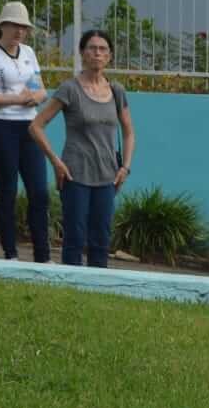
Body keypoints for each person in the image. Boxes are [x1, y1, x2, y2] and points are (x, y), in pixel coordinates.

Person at [29, 30, 135, 268]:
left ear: (109, 56)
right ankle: (71, 289)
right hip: (75, 175)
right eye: (92, 48)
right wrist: (56, 161)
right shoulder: (70, 89)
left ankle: (98, 292)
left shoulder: (116, 91)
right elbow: (36, 126)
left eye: (103, 49)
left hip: (107, 176)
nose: (97, 53)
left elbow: (129, 132)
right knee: (75, 239)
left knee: (101, 240)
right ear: (82, 53)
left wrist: (125, 168)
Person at [0, 1, 49, 261]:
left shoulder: (28, 52)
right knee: (8, 189)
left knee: (39, 190)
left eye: (23, 27)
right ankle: (11, 252)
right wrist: (16, 99)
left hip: (29, 126)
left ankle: (43, 254)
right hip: (0, 126)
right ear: (1, 26)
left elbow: (41, 90)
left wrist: (34, 98)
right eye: (14, 25)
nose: (19, 31)